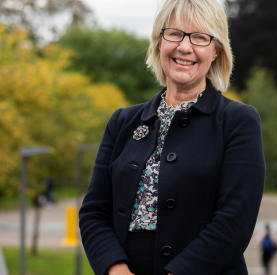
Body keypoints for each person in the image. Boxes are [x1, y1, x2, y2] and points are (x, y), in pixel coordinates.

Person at [78, 1, 266, 275]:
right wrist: (115, 270)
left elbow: (234, 222)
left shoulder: (238, 122)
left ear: (216, 51)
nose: (185, 47)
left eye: (200, 37)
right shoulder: (122, 122)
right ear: (158, 42)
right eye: (174, 33)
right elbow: (94, 212)